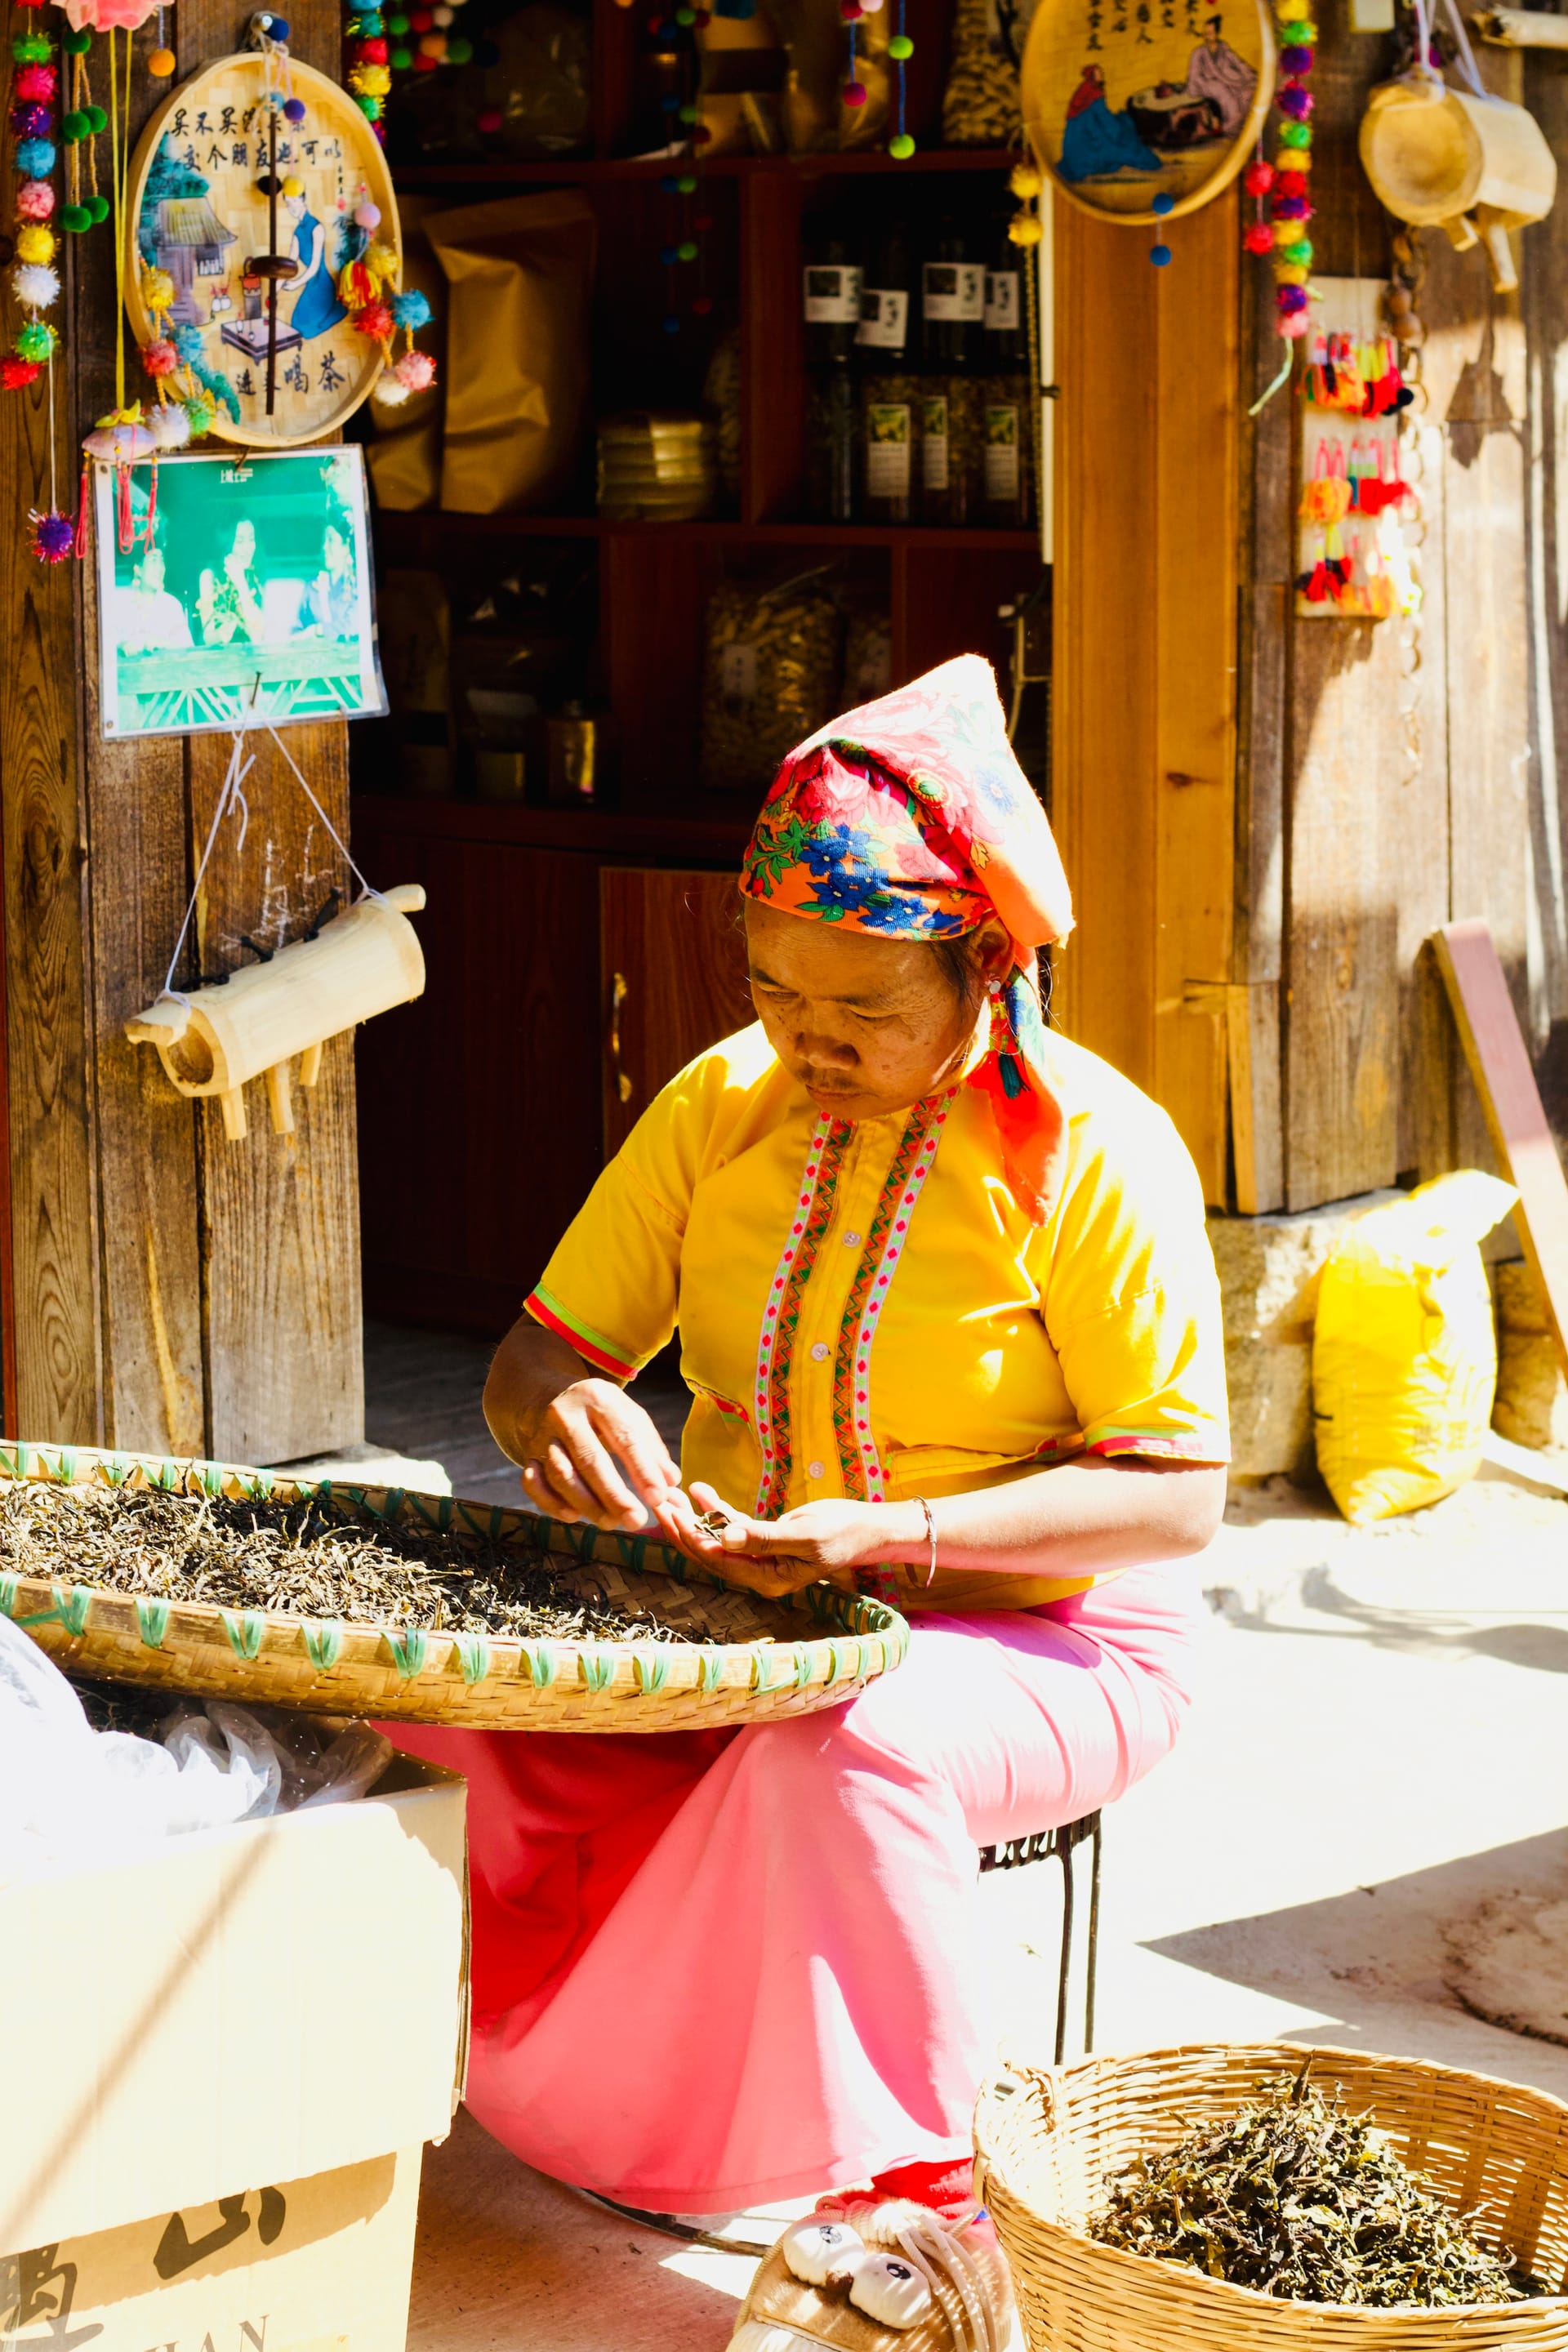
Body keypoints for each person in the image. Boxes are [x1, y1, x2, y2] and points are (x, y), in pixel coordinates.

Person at [390, 656, 1228, 2245]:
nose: (809, 1043)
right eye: (778, 995)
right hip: (739, 1610)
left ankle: (919, 2212)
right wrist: (565, 1420)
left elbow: (1174, 1503)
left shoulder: (1095, 1153)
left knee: (853, 1738)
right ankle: (571, 2109)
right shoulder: (724, 1105)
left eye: (862, 1011)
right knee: (440, 1697)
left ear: (985, 971)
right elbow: (534, 1357)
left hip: (1044, 1642)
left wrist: (886, 1542)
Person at [1059, 61, 1162, 181]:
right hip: (1090, 131)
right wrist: (1116, 130)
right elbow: (1102, 115)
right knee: (1123, 139)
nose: (1101, 75)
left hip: (1084, 130)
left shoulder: (1085, 88)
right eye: (1099, 74)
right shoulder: (1094, 91)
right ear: (1092, 76)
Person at [282, 183, 345, 341]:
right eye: (288, 204)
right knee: (296, 325)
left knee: (306, 331)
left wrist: (295, 284)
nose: (292, 207)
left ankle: (338, 310)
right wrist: (274, 290)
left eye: (295, 201)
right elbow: (289, 265)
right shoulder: (297, 232)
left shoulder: (317, 228)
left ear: (303, 200)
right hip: (310, 283)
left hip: (322, 283)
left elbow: (315, 265)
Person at [1183, 13, 1258, 136]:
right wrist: (1206, 83)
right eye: (1205, 33)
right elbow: (1194, 75)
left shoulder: (1224, 48)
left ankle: (1245, 125)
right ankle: (1229, 128)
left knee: (1247, 91)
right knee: (1225, 94)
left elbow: (1238, 63)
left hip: (1228, 79)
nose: (1207, 36)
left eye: (1210, 33)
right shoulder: (1198, 53)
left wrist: (1250, 75)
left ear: (1217, 33)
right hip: (1208, 84)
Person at [196, 518, 264, 645]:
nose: (248, 548)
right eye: (240, 541)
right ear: (227, 543)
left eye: (251, 539)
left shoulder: (255, 575)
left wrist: (241, 583)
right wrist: (221, 634)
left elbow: (260, 634)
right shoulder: (209, 576)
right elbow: (207, 637)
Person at [118, 546, 193, 655]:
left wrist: (164, 643)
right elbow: (103, 640)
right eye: (153, 560)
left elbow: (187, 648)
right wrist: (122, 646)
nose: (159, 568)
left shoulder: (171, 605)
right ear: (138, 569)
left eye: (161, 561)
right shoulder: (120, 601)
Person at [298, 519, 358, 639]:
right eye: (324, 541)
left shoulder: (358, 585)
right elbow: (297, 626)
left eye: (330, 540)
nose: (324, 547)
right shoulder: (311, 587)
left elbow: (355, 625)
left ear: (345, 547)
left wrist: (317, 630)